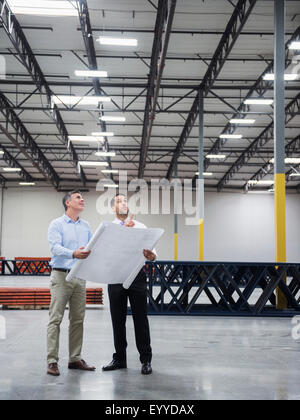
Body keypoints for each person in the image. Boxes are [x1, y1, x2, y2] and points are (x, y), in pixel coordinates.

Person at [102, 194, 156, 375]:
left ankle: (146, 360)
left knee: (141, 319)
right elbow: (103, 250)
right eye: (119, 201)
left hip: (137, 276)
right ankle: (119, 358)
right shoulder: (107, 228)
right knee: (117, 320)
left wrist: (151, 256)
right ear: (113, 208)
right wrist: (124, 230)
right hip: (115, 275)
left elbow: (153, 252)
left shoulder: (140, 226)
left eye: (125, 201)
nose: (123, 203)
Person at [47, 190, 96, 376]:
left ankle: (75, 359)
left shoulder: (86, 226)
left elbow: (93, 246)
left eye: (82, 198)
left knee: (77, 320)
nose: (82, 200)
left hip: (80, 277)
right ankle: (52, 361)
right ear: (68, 203)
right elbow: (55, 247)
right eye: (78, 197)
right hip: (61, 276)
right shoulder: (56, 224)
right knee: (55, 319)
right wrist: (73, 253)